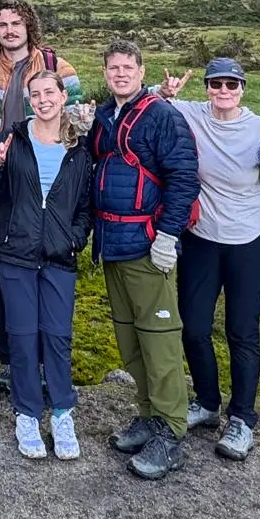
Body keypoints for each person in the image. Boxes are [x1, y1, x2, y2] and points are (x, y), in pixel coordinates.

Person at [154, 58, 260, 461]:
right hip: (202, 239)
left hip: (249, 241)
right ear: (206, 87)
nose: (223, 91)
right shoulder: (191, 114)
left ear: (243, 88)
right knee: (192, 327)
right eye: (215, 84)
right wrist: (164, 93)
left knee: (241, 331)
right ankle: (208, 402)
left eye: (231, 84)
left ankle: (242, 418)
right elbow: (152, 106)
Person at [90, 41, 201, 480]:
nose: (120, 74)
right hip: (112, 240)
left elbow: (184, 177)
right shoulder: (104, 115)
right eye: (113, 67)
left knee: (159, 338)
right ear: (105, 71)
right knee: (129, 339)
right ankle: (148, 415)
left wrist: (169, 235)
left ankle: (171, 431)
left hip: (146, 241)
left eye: (127, 67)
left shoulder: (163, 116)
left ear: (141, 71)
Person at [0, 70, 94, 460]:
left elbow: (85, 206)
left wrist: (75, 238)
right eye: (35, 94)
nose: (43, 100)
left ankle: (62, 412)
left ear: (63, 97)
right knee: (22, 338)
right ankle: (26, 414)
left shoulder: (79, 145)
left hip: (59, 255)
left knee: (57, 337)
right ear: (29, 100)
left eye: (49, 93)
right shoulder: (14, 137)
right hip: (16, 254)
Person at [0, 0, 82, 391]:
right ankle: (10, 361)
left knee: (46, 273)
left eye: (17, 23)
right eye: (2, 24)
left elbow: (78, 123)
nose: (10, 30)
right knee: (0, 277)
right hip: (1, 185)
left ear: (29, 25)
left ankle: (47, 363)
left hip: (47, 187)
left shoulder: (58, 67)